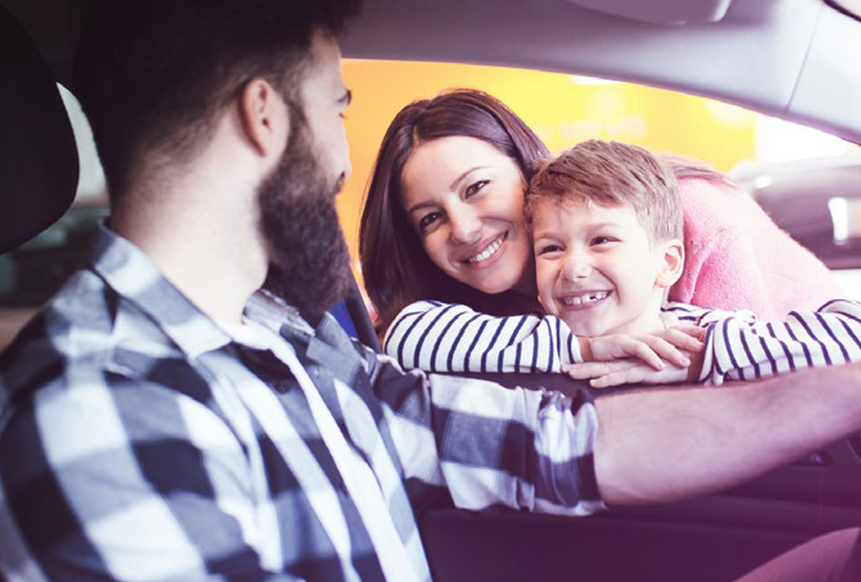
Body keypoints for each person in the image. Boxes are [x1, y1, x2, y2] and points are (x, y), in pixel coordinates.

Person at [1, 2, 861, 582]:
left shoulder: (286, 344)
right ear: (265, 115)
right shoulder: (102, 411)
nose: (341, 162)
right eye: (334, 107)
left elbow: (556, 445)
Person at [383, 139, 861, 387]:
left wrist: (703, 359)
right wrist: (585, 349)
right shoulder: (525, 338)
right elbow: (408, 333)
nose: (572, 268)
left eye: (603, 241)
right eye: (551, 248)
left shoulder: (699, 331)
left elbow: (851, 334)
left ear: (668, 262)